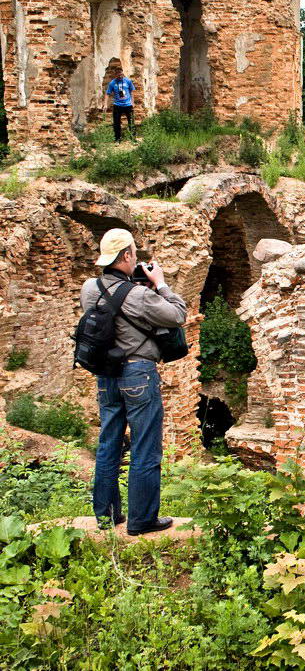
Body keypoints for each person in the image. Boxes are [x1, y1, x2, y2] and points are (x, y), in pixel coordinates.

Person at [80, 228, 186, 535]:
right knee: (145, 447)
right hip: (137, 373)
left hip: (106, 375)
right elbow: (177, 314)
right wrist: (160, 284)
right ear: (126, 256)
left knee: (108, 444)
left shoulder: (89, 288)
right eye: (134, 255)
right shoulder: (138, 295)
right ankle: (142, 520)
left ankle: (106, 516)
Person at [105, 69, 136, 142]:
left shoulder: (128, 81)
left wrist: (132, 102)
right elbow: (107, 93)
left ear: (122, 73)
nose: (120, 76)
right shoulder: (112, 83)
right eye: (118, 75)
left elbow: (132, 92)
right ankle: (117, 139)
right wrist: (105, 104)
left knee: (131, 122)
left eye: (121, 74)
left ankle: (133, 138)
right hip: (117, 105)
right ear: (115, 74)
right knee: (116, 123)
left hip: (128, 105)